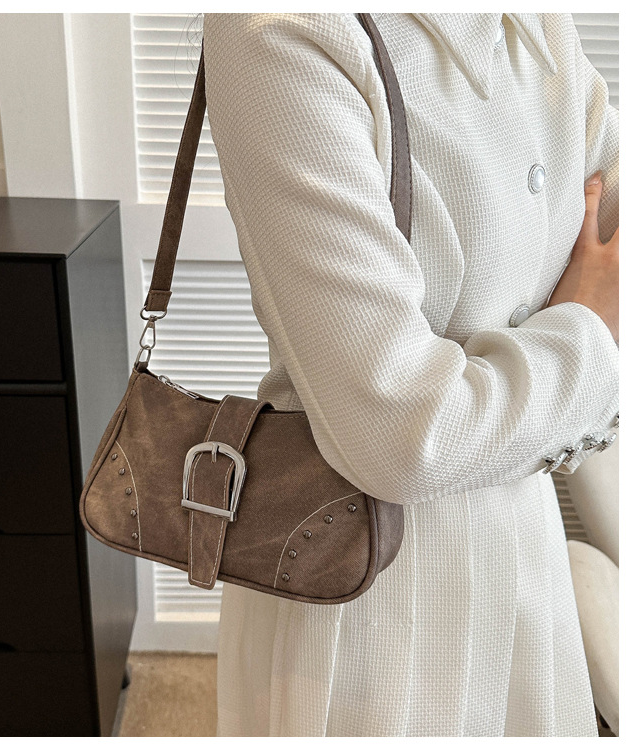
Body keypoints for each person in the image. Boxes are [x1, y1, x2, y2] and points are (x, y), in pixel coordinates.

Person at [200, 13, 619, 737]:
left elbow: (614, 231)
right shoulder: (279, 28)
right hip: (366, 600)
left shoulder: (533, 19)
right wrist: (586, 336)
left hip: (526, 554)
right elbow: (401, 438)